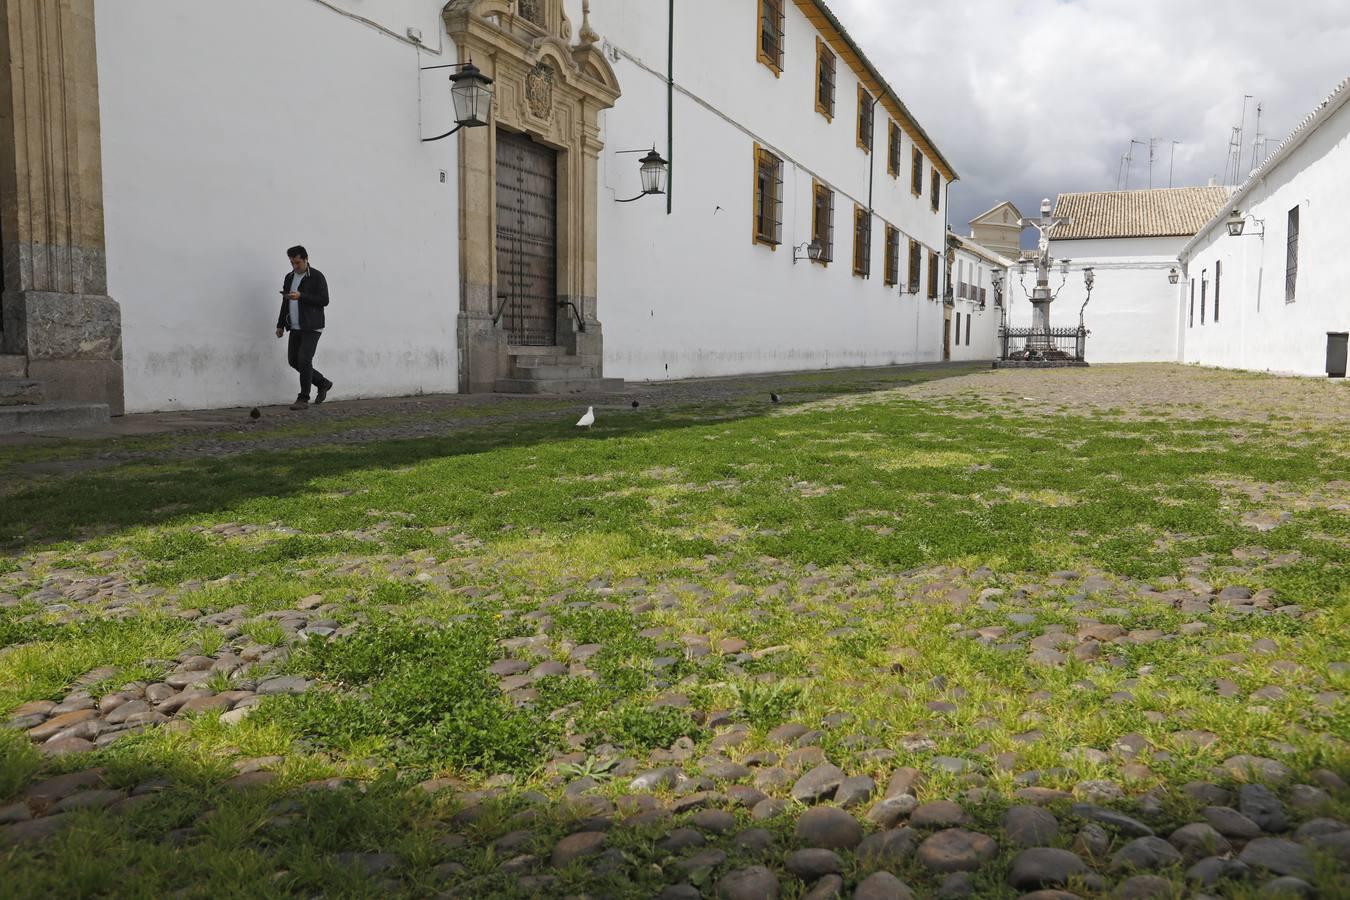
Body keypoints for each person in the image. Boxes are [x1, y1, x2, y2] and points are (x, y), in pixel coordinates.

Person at [275, 245, 333, 410]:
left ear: (306, 259)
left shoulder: (316, 276)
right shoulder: (289, 277)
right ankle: (323, 383)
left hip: (312, 326)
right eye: (292, 263)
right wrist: (280, 325)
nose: (294, 266)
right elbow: (285, 302)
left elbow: (324, 300)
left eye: (297, 263)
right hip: (295, 326)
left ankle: (303, 398)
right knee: (293, 360)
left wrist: (302, 296)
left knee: (304, 359)